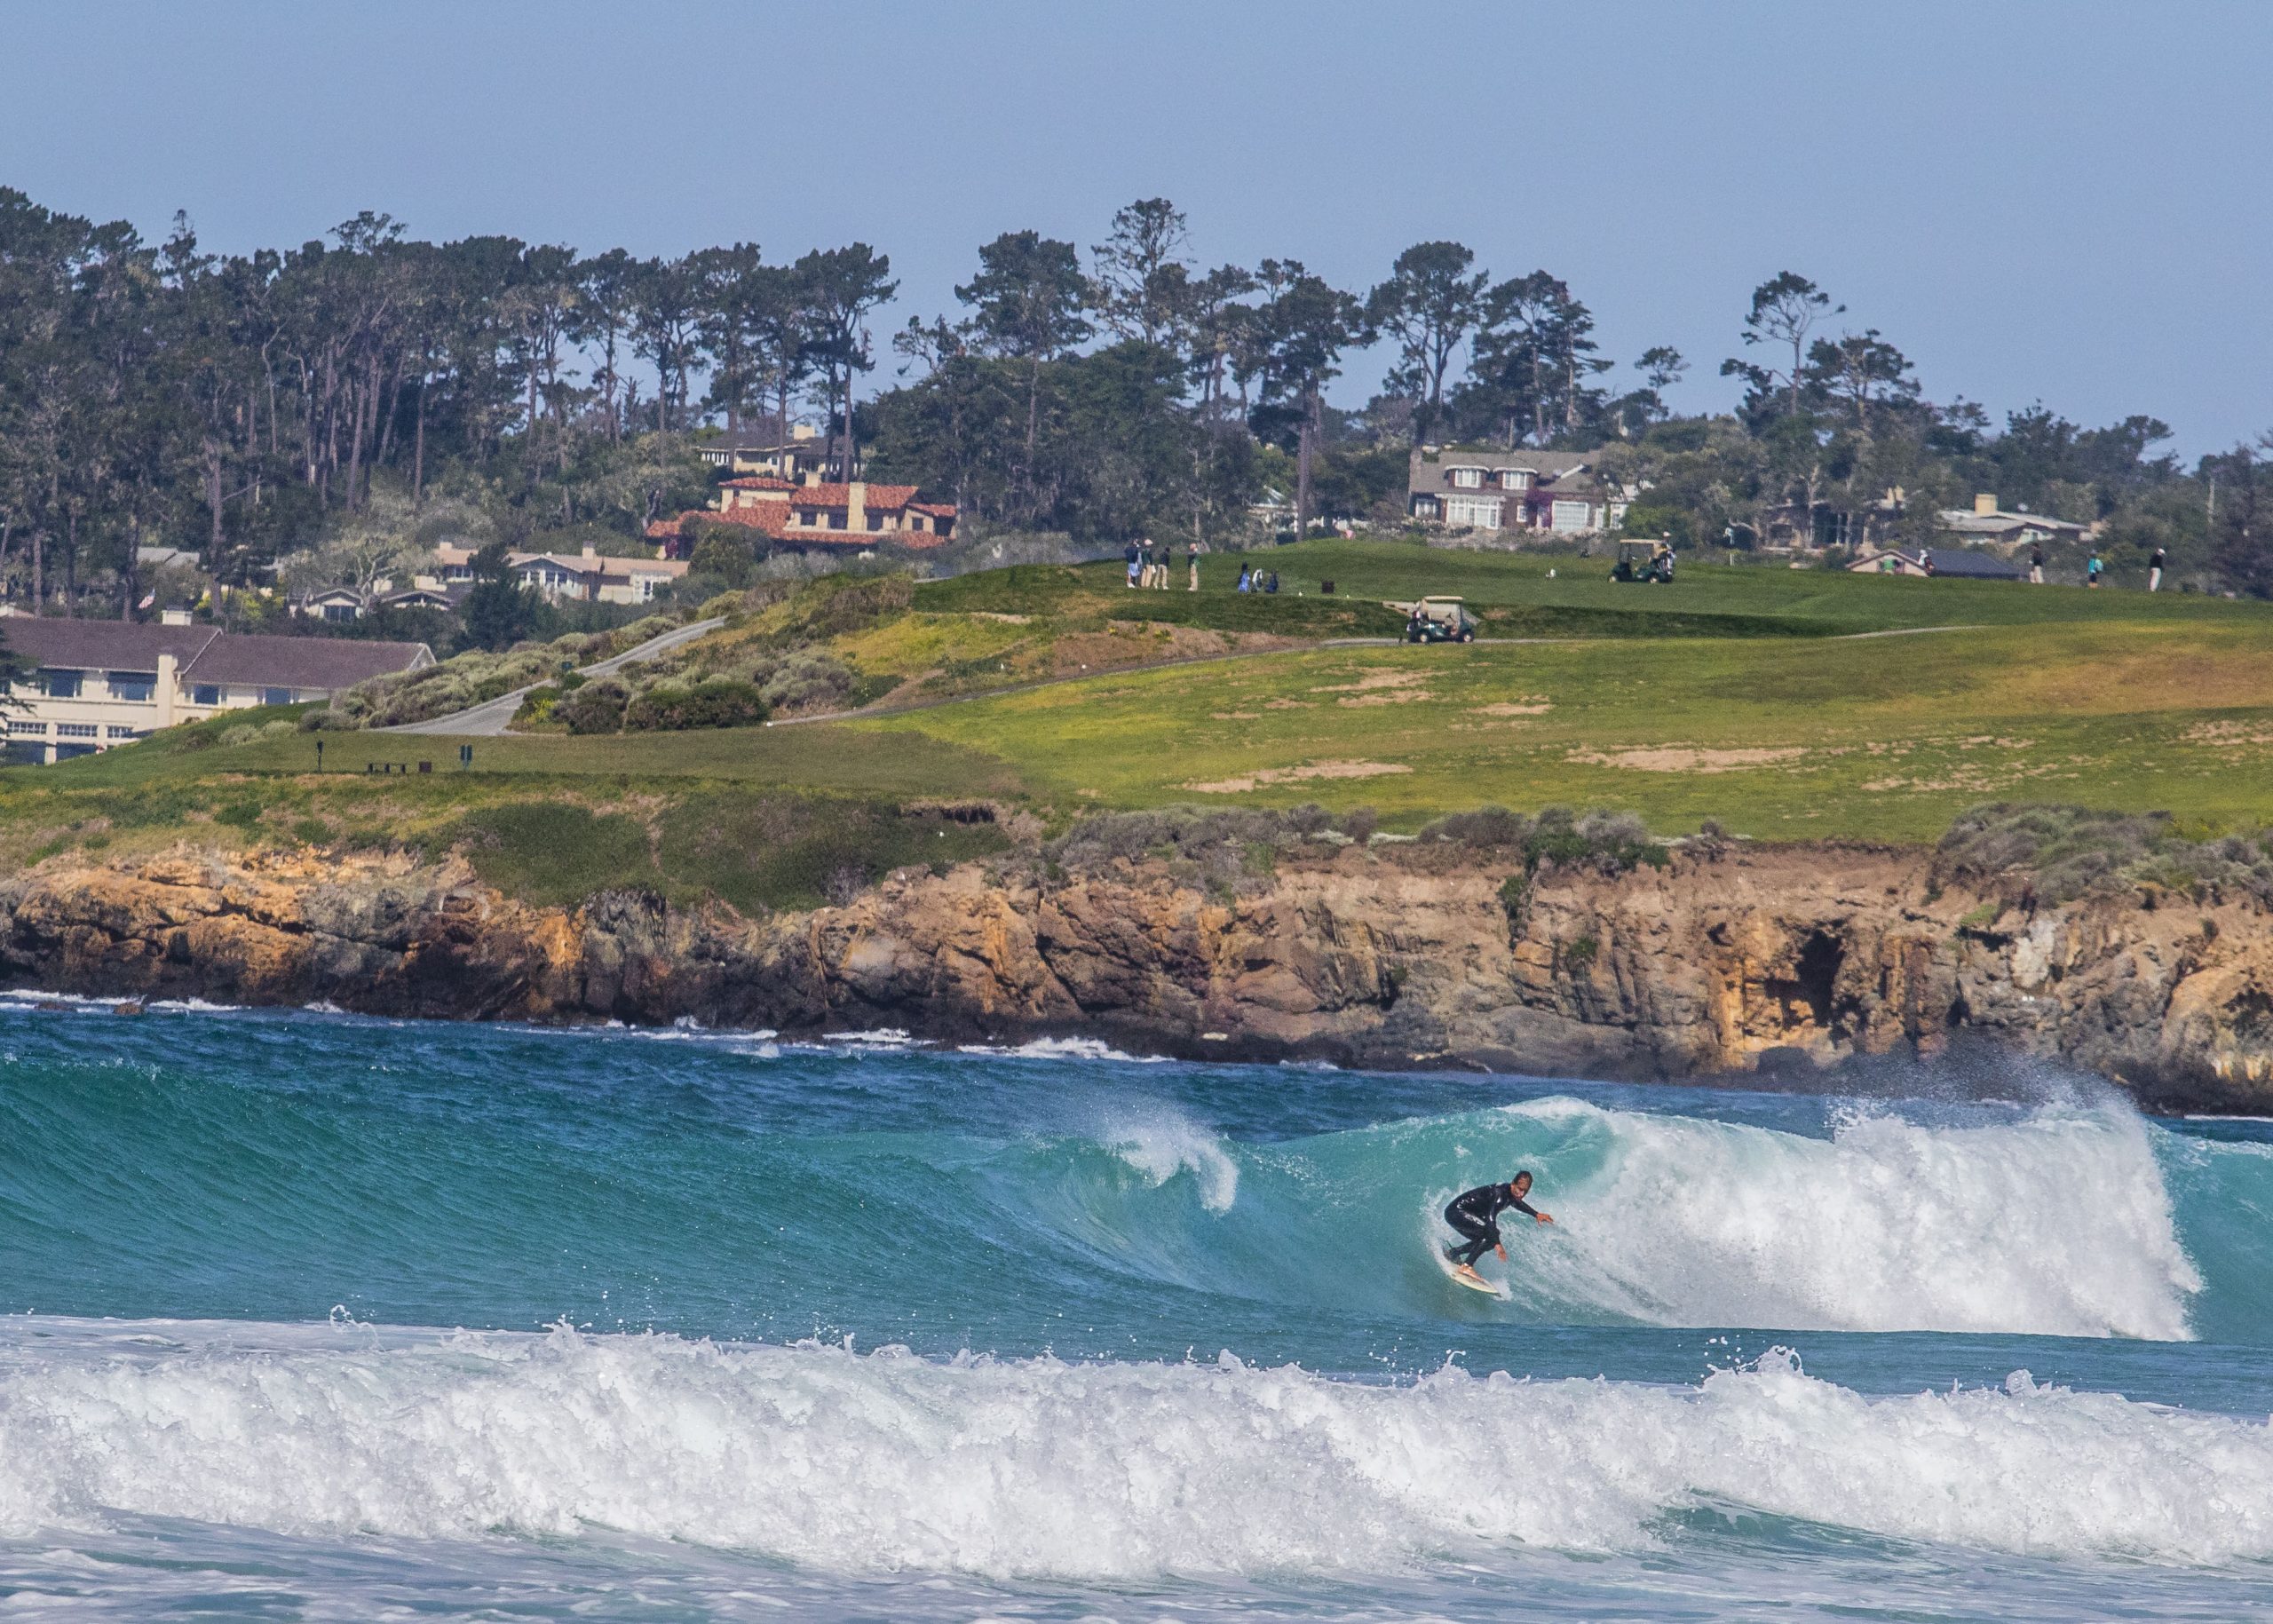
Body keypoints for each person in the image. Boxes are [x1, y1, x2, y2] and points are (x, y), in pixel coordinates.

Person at [1442, 1173, 1553, 1283]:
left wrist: (1536, 1214)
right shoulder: (1501, 1196)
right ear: (1513, 1184)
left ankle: (1453, 1253)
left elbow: (1516, 1203)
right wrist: (1498, 1245)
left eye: (1525, 1191)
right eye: (1520, 1189)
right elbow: (1491, 1220)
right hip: (1457, 1213)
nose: (1521, 1194)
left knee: (1489, 1241)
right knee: (1491, 1236)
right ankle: (1466, 1266)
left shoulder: (1510, 1193)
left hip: (1458, 1213)